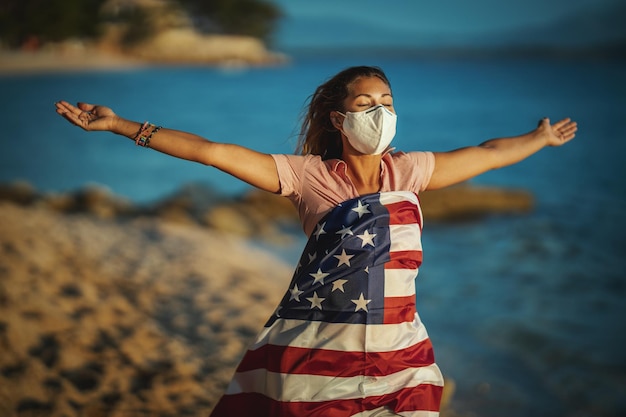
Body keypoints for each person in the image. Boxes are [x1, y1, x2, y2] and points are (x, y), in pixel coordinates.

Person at [55, 65, 577, 417]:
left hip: (402, 350)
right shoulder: (306, 177)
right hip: (325, 352)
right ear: (338, 118)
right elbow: (212, 152)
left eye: (387, 103)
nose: (379, 114)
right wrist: (123, 125)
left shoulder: (410, 170)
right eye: (366, 103)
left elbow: (486, 153)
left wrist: (539, 139)